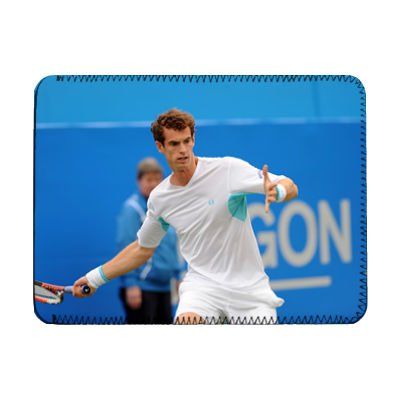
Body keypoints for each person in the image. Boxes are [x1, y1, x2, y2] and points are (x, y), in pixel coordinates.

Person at [73, 108, 299, 324]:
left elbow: (289, 185)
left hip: (250, 291)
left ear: (193, 139)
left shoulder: (228, 169)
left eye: (187, 141)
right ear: (160, 146)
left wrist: (278, 191)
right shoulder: (160, 198)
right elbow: (142, 249)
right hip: (203, 289)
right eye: (174, 143)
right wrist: (94, 278)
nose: (183, 149)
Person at [116, 158, 183, 324]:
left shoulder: (166, 208)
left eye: (157, 179)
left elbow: (172, 246)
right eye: (149, 179)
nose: (154, 184)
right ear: (139, 181)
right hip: (141, 288)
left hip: (164, 287)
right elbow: (126, 247)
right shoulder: (132, 209)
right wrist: (131, 284)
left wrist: (178, 276)